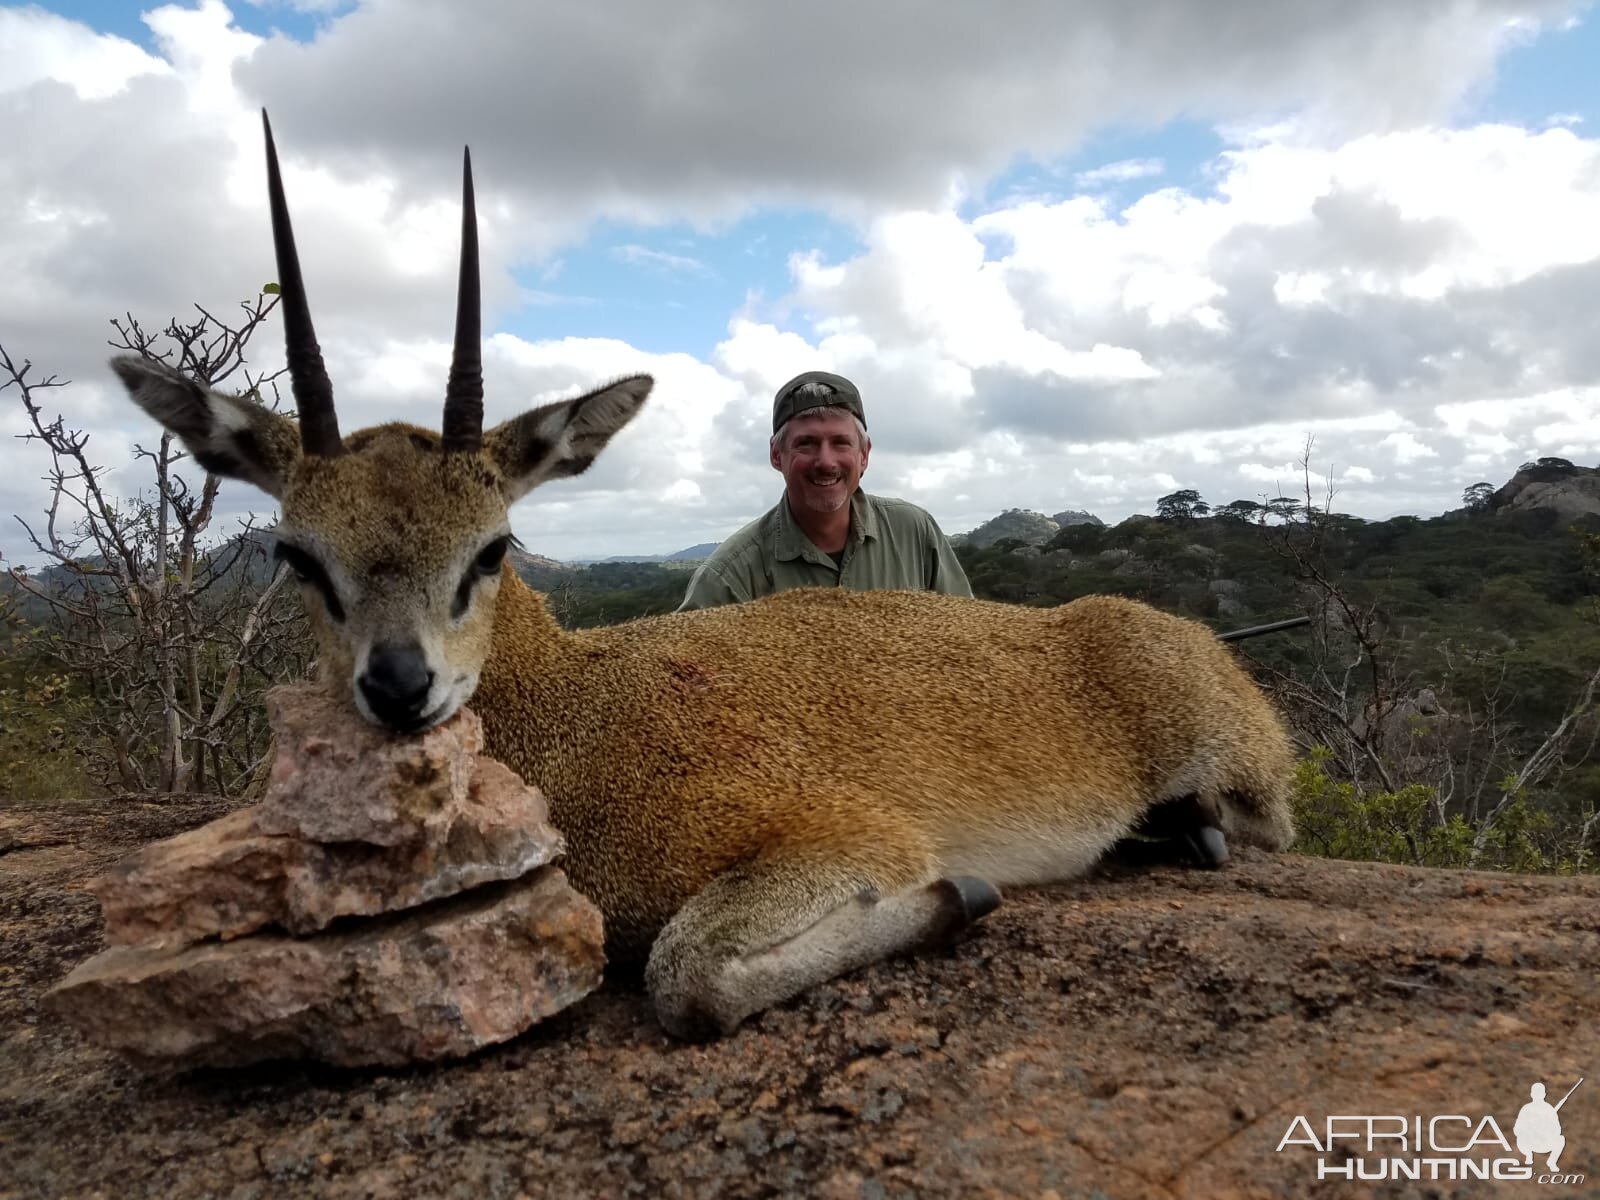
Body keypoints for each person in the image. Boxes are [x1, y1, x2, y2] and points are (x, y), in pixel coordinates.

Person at [678, 370, 971, 611]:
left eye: (841, 443)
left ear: (864, 454)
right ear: (776, 455)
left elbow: (968, 640)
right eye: (806, 444)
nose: (826, 462)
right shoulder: (728, 578)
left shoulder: (915, 532)